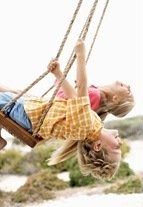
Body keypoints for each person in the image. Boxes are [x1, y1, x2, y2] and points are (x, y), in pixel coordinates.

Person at [0, 39, 123, 180]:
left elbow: (82, 90)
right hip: (30, 109)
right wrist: (58, 74)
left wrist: (81, 55)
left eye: (117, 148)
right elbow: (73, 98)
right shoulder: (94, 125)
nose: (120, 142)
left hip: (25, 113)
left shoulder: (86, 127)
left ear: (98, 145)